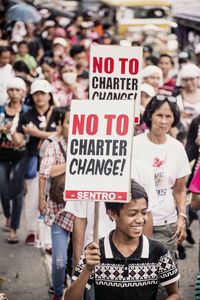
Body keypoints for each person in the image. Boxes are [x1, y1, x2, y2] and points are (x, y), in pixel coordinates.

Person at [64, 180, 182, 300]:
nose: (140, 220)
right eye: (132, 214)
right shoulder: (95, 252)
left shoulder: (158, 251)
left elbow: (176, 294)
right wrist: (87, 269)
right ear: (113, 214)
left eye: (144, 212)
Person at [133, 95, 191, 267]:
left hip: (167, 225)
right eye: (160, 115)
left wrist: (181, 215)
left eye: (169, 116)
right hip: (135, 223)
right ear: (150, 115)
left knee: (166, 281)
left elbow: (180, 189)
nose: (164, 121)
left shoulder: (177, 148)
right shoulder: (134, 145)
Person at [2, 79, 57, 245]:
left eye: (43, 93)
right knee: (33, 198)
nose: (40, 97)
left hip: (56, 160)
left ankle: (49, 236)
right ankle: (32, 231)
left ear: (49, 95)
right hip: (34, 160)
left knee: (53, 199)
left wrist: (36, 133)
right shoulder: (26, 116)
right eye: (36, 94)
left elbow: (60, 135)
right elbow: (19, 141)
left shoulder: (58, 113)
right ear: (32, 96)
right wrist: (11, 131)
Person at [40, 106, 74, 300]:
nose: (73, 126)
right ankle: (58, 292)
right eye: (69, 121)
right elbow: (48, 172)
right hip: (59, 210)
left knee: (77, 260)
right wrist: (75, 162)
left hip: (81, 213)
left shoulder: (91, 147)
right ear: (61, 124)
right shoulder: (54, 145)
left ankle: (76, 292)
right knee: (59, 260)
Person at [0, 77, 27, 243]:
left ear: (23, 92)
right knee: (3, 189)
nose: (15, 93)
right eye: (12, 90)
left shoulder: (26, 112)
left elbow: (27, 138)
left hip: (20, 156)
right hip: (2, 155)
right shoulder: (1, 110)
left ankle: (14, 228)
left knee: (17, 193)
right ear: (8, 92)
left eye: (18, 90)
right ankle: (8, 217)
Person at [176, 63, 200, 132]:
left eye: (192, 79)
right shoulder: (177, 99)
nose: (189, 83)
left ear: (198, 79)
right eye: (185, 80)